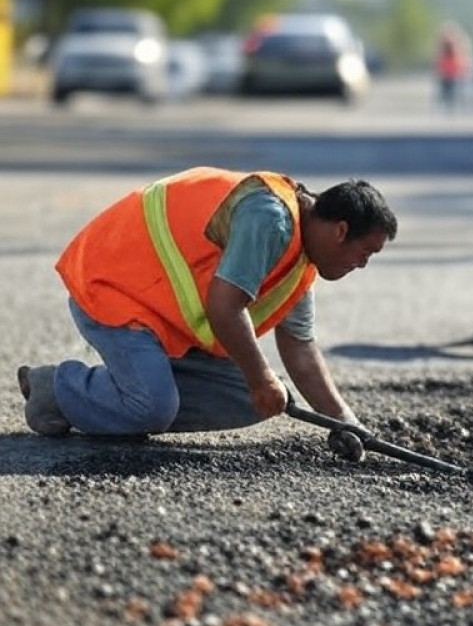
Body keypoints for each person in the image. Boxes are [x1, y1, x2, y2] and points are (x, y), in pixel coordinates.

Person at [17, 166, 398, 460]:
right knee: (154, 406)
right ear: (340, 231)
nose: (362, 264)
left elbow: (300, 349)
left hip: (159, 319)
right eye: (366, 252)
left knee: (256, 398)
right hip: (115, 288)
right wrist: (261, 378)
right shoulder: (270, 217)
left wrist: (345, 422)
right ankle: (56, 389)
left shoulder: (302, 259)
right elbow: (224, 306)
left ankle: (131, 399)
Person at [435, 21, 472, 110]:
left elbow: (462, 54)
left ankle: (450, 103)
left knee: (450, 88)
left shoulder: (452, 41)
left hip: (452, 69)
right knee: (449, 88)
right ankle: (450, 103)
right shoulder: (455, 41)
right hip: (450, 69)